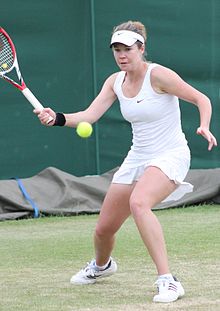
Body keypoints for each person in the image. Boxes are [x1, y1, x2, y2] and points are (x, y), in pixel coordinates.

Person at [34, 20, 217, 303]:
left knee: (139, 202)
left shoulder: (159, 76)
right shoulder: (115, 81)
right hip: (137, 156)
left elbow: (201, 98)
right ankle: (102, 266)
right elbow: (88, 116)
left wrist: (204, 125)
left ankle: (168, 280)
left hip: (171, 153)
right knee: (104, 229)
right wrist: (56, 118)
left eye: (127, 49)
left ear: (141, 48)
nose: (121, 55)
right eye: (117, 49)